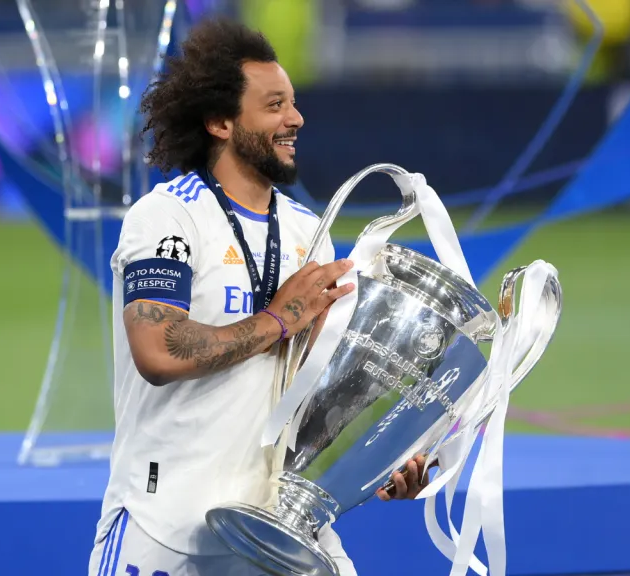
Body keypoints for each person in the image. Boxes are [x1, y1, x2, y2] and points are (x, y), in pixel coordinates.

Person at [88, 17, 430, 576]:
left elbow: (317, 387)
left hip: (277, 527)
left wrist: (375, 459)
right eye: (274, 105)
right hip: (163, 527)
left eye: (293, 104)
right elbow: (157, 349)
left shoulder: (306, 231)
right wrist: (277, 318)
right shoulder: (167, 216)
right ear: (221, 121)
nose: (295, 119)